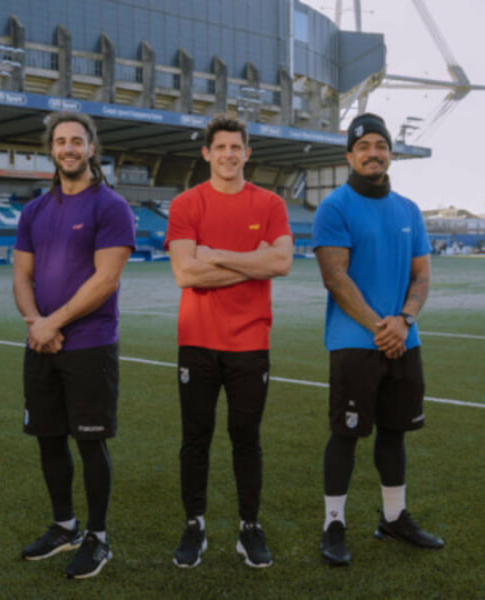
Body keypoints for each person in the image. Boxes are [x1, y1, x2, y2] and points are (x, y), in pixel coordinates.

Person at [311, 113, 444, 566]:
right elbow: (335, 276)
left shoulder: (408, 210)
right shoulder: (335, 206)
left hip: (404, 338)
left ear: (390, 153)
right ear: (349, 155)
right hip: (355, 341)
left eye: (380, 145)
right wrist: (379, 326)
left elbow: (422, 275)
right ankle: (333, 524)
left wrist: (403, 320)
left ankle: (393, 518)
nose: (373, 152)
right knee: (345, 434)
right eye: (363, 145)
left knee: (395, 432)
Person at [165, 114, 293, 568]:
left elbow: (281, 264)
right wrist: (249, 261)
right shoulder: (185, 205)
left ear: (247, 153)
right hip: (197, 341)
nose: (228, 155)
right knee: (195, 438)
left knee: (246, 438)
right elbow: (185, 272)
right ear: (207, 154)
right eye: (220, 148)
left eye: (235, 147)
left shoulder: (270, 204)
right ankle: (194, 525)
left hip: (250, 342)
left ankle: (249, 527)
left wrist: (216, 255)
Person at [12, 111, 135, 579]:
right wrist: (34, 322)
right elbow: (22, 275)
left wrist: (53, 322)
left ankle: (98, 538)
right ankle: (64, 526)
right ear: (51, 150)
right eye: (60, 141)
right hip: (41, 343)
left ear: (91, 148)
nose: (68, 148)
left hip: (89, 343)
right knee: (48, 437)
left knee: (89, 443)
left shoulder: (110, 207)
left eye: (76, 141)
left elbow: (106, 280)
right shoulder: (34, 212)